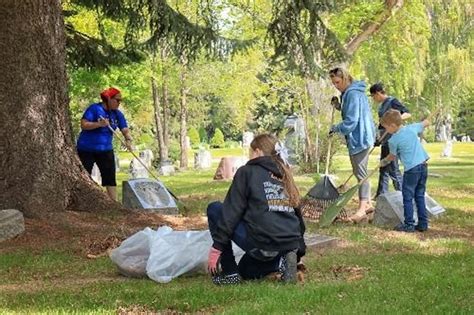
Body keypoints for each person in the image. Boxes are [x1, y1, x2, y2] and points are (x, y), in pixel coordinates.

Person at [206, 134, 306, 285]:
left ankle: (230, 274)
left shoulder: (246, 172)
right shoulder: (285, 174)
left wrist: (217, 247)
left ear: (258, 152)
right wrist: (299, 249)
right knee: (246, 271)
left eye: (250, 153)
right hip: (288, 243)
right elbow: (298, 217)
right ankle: (282, 262)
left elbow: (231, 212)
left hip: (263, 241)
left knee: (215, 208)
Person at [328, 68, 376, 223]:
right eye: (333, 83)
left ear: (345, 78)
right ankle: (367, 204)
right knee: (359, 172)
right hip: (361, 136)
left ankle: (362, 209)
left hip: (360, 137)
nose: (336, 85)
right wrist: (338, 106)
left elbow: (351, 122)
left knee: (361, 174)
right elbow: (350, 112)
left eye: (337, 82)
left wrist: (335, 128)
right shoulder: (351, 93)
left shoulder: (353, 94)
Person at [76, 87, 132, 201]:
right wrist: (99, 124)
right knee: (84, 177)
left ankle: (114, 203)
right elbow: (84, 124)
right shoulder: (94, 109)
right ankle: (82, 202)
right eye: (117, 100)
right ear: (108, 99)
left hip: (105, 149)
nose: (119, 103)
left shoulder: (117, 114)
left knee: (110, 178)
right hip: (87, 149)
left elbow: (124, 129)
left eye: (121, 100)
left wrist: (128, 140)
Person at [380, 109, 430, 232]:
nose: (386, 130)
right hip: (423, 166)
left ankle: (409, 224)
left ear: (392, 126)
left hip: (411, 170)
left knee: (407, 197)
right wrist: (426, 122)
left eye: (386, 127)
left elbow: (392, 156)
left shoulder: (393, 140)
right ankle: (423, 224)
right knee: (419, 195)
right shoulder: (412, 128)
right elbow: (425, 123)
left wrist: (383, 162)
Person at [369, 83, 411, 198]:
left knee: (393, 168)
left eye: (373, 96)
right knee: (383, 167)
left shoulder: (393, 101)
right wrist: (378, 139)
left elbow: (407, 113)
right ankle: (381, 194)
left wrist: (395, 120)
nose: (373, 99)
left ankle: (403, 193)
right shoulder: (382, 105)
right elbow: (382, 124)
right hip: (384, 139)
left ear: (378, 93)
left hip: (392, 139)